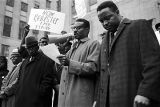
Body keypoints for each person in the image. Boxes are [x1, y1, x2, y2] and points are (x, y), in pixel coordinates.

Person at [95, 1, 160, 107]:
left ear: (117, 12)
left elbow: (153, 63)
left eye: (108, 18)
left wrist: (145, 92)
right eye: (101, 21)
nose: (105, 23)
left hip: (133, 98)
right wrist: (97, 100)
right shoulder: (104, 40)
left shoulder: (139, 26)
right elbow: (102, 74)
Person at [57, 18, 100, 107]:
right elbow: (62, 68)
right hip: (66, 97)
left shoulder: (93, 44)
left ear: (87, 29)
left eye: (79, 28)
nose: (75, 30)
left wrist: (70, 63)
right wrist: (60, 53)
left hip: (80, 97)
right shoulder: (73, 46)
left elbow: (92, 68)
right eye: (74, 28)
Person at [15, 35, 59, 107]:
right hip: (22, 100)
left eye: (32, 47)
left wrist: (37, 94)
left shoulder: (47, 61)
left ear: (37, 46)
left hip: (37, 102)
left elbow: (47, 82)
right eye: (28, 48)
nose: (30, 50)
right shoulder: (24, 62)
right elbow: (19, 80)